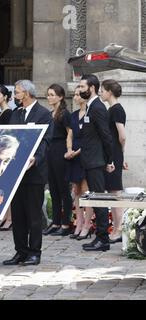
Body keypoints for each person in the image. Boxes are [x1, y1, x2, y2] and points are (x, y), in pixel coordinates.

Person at [4, 80, 53, 266]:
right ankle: (20, 251)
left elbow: (45, 141)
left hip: (34, 173)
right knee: (17, 216)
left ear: (26, 93)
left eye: (17, 93)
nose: (15, 96)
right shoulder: (15, 114)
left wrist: (35, 159)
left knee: (33, 215)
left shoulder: (43, 114)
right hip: (16, 172)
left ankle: (34, 252)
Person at [78, 74, 114, 252]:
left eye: (82, 87)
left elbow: (106, 136)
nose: (79, 90)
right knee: (96, 198)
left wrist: (109, 160)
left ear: (92, 88)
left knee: (99, 199)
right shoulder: (91, 107)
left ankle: (103, 240)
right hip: (90, 160)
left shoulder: (98, 107)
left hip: (96, 161)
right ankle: (99, 237)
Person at [43, 84, 73, 237]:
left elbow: (70, 132)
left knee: (63, 189)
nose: (49, 97)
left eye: (52, 94)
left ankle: (66, 223)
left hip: (60, 150)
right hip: (50, 151)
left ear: (60, 96)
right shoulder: (49, 114)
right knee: (53, 189)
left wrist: (68, 150)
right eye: (48, 94)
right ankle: (55, 222)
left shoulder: (65, 114)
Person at [65, 88, 95, 240]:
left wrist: (77, 151)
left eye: (78, 94)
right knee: (76, 190)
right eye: (74, 94)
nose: (75, 97)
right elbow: (69, 135)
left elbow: (91, 138)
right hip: (74, 156)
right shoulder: (73, 115)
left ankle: (87, 225)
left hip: (86, 154)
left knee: (86, 190)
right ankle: (78, 222)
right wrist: (69, 149)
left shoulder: (91, 113)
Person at [100, 79, 127, 244]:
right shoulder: (112, 109)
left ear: (109, 91)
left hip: (114, 154)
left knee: (115, 192)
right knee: (112, 192)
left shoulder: (116, 109)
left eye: (102, 90)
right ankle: (117, 228)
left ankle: (119, 229)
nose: (101, 93)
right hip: (113, 154)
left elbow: (122, 135)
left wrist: (121, 155)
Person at [0, 85, 14, 231]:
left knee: (6, 187)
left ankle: (10, 218)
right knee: (1, 187)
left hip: (5, 154)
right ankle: (4, 216)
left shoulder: (8, 113)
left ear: (5, 96)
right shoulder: (1, 113)